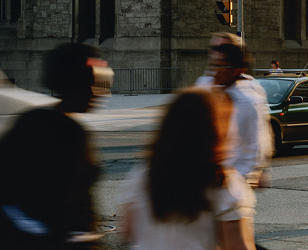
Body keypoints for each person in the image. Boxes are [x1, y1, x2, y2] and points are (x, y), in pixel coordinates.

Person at [0, 43, 110, 247]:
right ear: (78, 83)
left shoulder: (29, 121)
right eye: (96, 83)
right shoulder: (68, 133)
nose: (102, 93)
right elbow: (70, 204)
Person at [121, 89, 255, 250]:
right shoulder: (222, 181)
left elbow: (127, 230)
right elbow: (236, 246)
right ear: (213, 130)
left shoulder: (145, 173)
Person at [209, 43, 273, 188]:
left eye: (220, 65)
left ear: (235, 70)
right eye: (213, 64)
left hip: (234, 183)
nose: (214, 71)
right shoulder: (215, 95)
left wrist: (241, 179)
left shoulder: (247, 102)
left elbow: (257, 145)